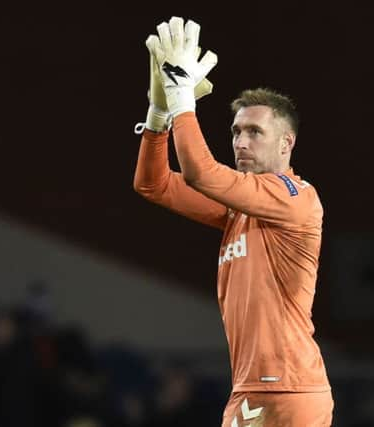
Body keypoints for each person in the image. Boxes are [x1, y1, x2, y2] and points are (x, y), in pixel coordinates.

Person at [133, 16, 333, 426]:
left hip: (288, 390)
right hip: (253, 389)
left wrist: (183, 95)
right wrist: (158, 114)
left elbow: (200, 173)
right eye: (236, 131)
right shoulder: (238, 209)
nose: (241, 142)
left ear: (286, 143)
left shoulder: (295, 198)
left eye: (255, 132)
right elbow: (152, 184)